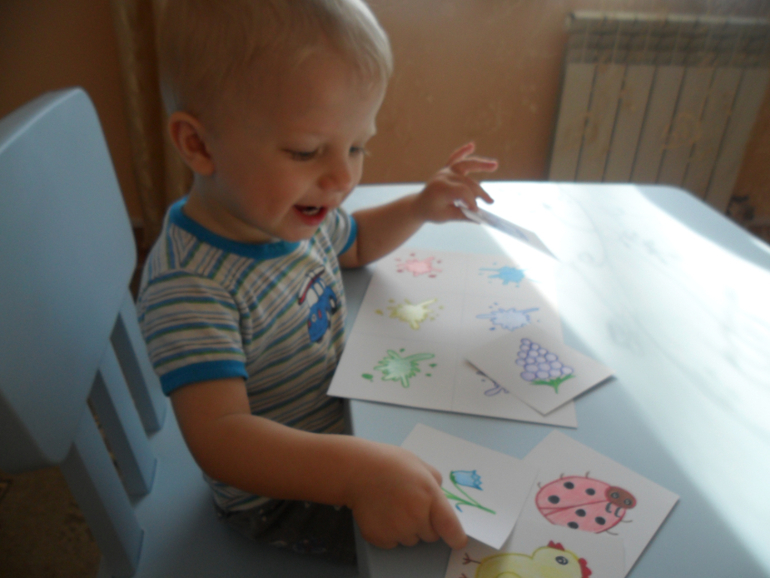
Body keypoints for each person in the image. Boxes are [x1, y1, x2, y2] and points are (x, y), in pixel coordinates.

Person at [138, 0, 498, 564]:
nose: (342, 177)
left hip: (345, 417)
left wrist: (420, 207)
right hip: (284, 494)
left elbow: (354, 242)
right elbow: (221, 440)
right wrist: (357, 473)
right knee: (449, 549)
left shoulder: (286, 213)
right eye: (306, 151)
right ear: (198, 145)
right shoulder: (190, 286)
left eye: (356, 146)